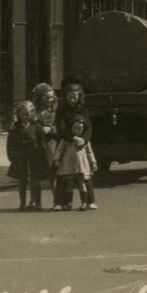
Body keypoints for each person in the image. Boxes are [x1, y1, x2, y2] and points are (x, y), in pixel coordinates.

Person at [51, 77, 98, 210]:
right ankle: (60, 202)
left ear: (79, 96)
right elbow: (61, 128)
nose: (72, 100)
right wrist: (72, 138)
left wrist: (84, 139)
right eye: (70, 97)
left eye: (75, 97)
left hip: (81, 145)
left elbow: (88, 126)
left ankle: (90, 201)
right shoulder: (61, 110)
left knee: (85, 175)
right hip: (66, 143)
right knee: (62, 175)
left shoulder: (83, 109)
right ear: (65, 97)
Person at [6, 101, 49, 210]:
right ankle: (22, 203)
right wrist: (11, 156)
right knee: (22, 180)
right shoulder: (15, 127)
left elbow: (42, 140)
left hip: (35, 156)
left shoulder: (36, 126)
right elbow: (10, 142)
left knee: (35, 180)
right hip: (21, 156)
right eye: (24, 114)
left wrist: (43, 154)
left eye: (29, 113)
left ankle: (37, 203)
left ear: (33, 113)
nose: (26, 116)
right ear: (19, 114)